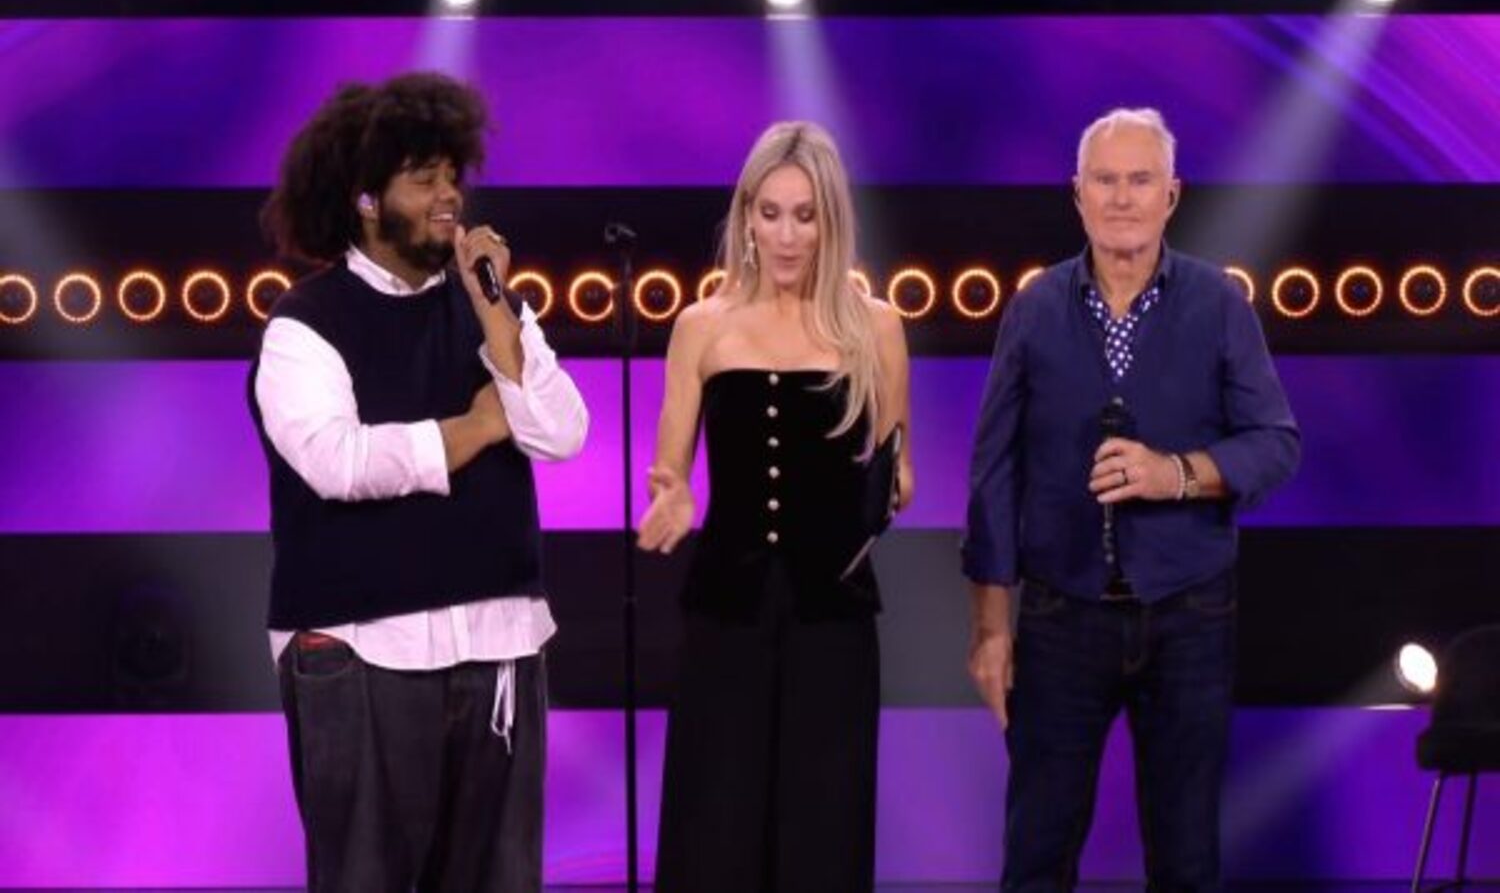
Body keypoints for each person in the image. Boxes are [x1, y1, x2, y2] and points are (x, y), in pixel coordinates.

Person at [249, 71, 588, 892]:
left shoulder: (490, 308)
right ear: (367, 201)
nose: (448, 198)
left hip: (500, 641)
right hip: (362, 646)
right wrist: (474, 428)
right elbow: (337, 462)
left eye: (452, 176)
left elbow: (561, 430)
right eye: (423, 179)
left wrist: (496, 309)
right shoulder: (304, 324)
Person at [962, 107, 1300, 891]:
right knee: (1037, 851)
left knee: (1185, 857)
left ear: (1171, 195)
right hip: (1060, 613)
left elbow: (1275, 443)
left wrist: (1175, 473)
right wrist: (990, 627)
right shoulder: (1035, 309)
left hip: (1190, 612)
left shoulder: (1218, 303)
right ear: (1077, 194)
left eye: (1140, 180)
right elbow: (994, 471)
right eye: (1105, 180)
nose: (1121, 198)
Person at [637, 120, 913, 892]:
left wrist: (885, 491)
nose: (787, 235)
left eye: (806, 216)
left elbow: (901, 469)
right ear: (747, 218)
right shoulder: (702, 327)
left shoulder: (875, 327)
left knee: (822, 823)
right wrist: (673, 496)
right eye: (771, 213)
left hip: (833, 614)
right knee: (716, 824)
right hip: (728, 609)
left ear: (831, 222)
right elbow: (669, 468)